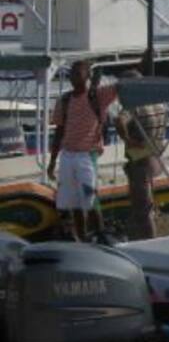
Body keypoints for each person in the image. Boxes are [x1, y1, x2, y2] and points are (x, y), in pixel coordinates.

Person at [47, 60, 118, 241]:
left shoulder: (98, 96)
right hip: (68, 155)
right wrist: (52, 161)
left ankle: (101, 234)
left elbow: (121, 86)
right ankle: (82, 238)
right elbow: (59, 132)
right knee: (72, 202)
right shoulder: (64, 100)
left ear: (87, 76)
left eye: (78, 74)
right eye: (72, 73)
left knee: (90, 198)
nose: (73, 78)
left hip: (88, 154)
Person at [115, 70, 167, 240]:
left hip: (139, 161)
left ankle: (149, 242)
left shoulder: (134, 106)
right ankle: (154, 237)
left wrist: (128, 140)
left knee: (142, 209)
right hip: (156, 159)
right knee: (150, 206)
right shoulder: (159, 104)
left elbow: (119, 120)